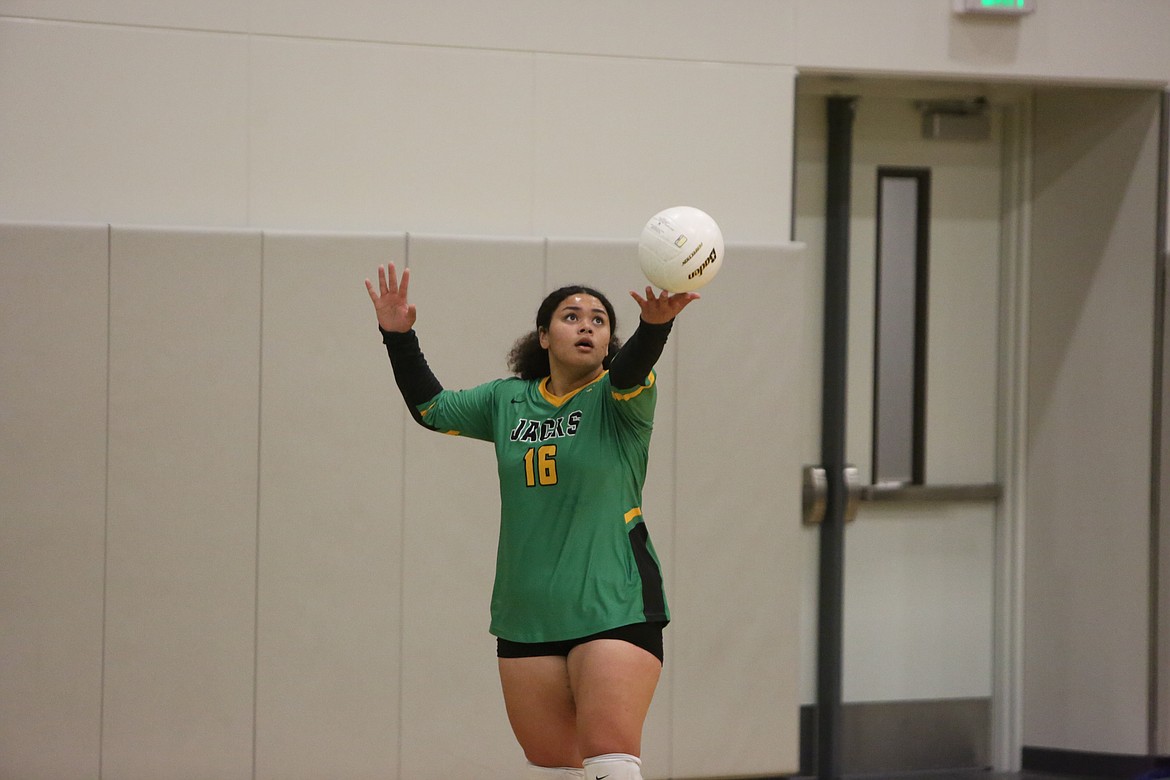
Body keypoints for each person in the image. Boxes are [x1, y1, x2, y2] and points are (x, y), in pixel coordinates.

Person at [365, 262, 698, 780]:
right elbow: (431, 408)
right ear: (543, 335)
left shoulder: (620, 395)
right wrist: (397, 337)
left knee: (608, 755)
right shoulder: (507, 400)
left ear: (611, 340)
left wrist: (655, 327)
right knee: (553, 765)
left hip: (614, 599)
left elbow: (632, 367)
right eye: (571, 316)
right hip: (528, 609)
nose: (587, 326)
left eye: (600, 320)